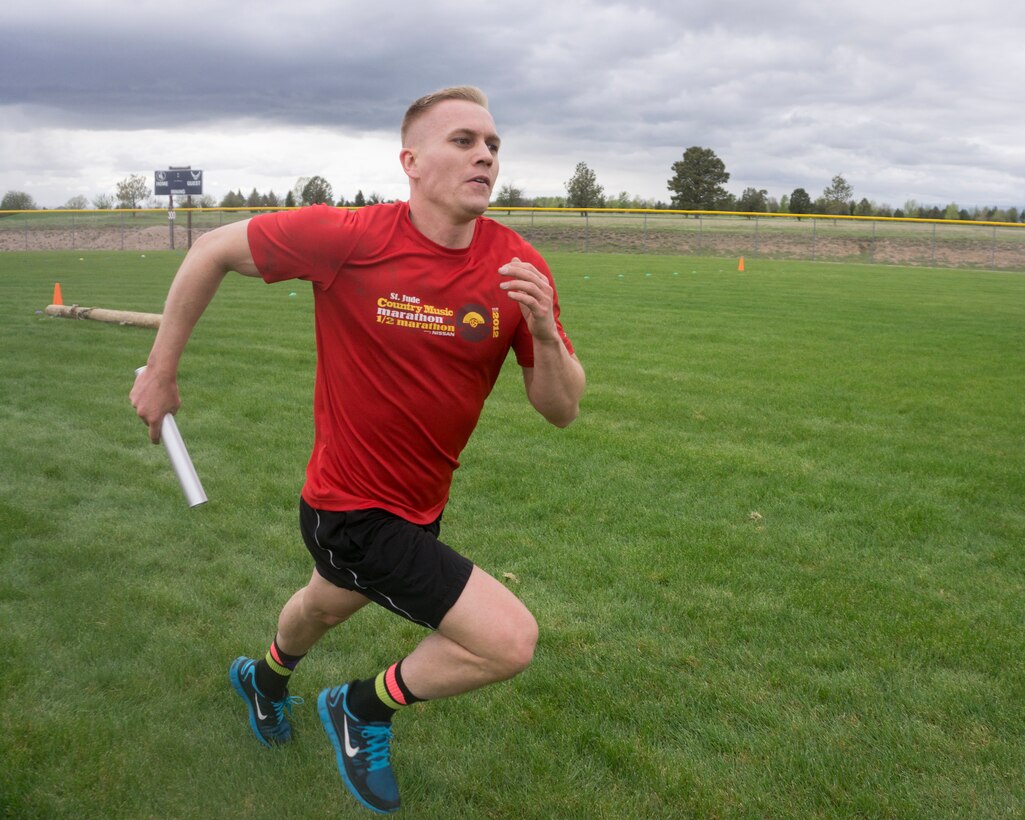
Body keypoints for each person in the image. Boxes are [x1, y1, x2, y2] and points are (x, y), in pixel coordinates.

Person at [131, 86, 585, 815]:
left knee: (321, 607)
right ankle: (361, 707)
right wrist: (161, 371)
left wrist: (544, 335)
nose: (484, 156)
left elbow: (560, 409)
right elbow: (212, 249)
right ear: (411, 162)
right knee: (506, 641)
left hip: (419, 506)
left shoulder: (517, 267)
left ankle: (263, 682)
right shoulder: (347, 236)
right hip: (349, 507)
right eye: (463, 140)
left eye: (493, 144)